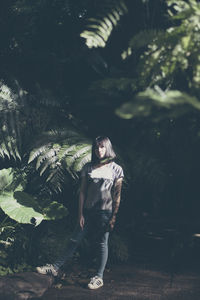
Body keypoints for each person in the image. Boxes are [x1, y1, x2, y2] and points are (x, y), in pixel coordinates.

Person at [36, 136, 124, 290]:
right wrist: (80, 214)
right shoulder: (88, 167)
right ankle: (55, 267)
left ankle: (99, 277)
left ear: (108, 148)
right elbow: (82, 192)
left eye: (102, 147)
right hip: (88, 212)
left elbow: (117, 195)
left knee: (102, 243)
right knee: (74, 240)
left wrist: (114, 217)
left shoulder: (116, 169)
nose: (99, 150)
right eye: (96, 148)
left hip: (105, 213)